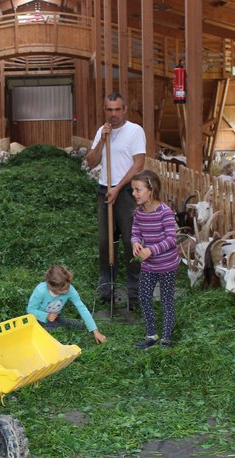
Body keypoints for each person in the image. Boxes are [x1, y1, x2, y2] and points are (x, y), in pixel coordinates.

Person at [84, 92, 146, 307]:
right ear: (105, 110)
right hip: (105, 191)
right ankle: (107, 287)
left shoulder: (135, 131)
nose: (113, 114)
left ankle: (135, 291)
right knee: (105, 241)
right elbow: (91, 162)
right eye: (109, 110)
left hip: (128, 192)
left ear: (125, 109)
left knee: (131, 241)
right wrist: (102, 140)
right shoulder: (102, 131)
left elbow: (138, 164)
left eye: (117, 109)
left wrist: (118, 188)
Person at [130, 170, 180, 349]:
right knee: (144, 298)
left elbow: (171, 239)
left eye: (138, 190)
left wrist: (151, 250)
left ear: (151, 190)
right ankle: (151, 335)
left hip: (167, 265)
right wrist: (135, 243)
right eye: (133, 190)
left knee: (166, 299)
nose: (134, 193)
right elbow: (135, 232)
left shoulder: (165, 212)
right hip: (148, 266)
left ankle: (166, 337)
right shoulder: (139, 213)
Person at [27, 265, 107, 344]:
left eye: (67, 287)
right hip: (38, 319)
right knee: (53, 330)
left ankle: (52, 327)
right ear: (52, 287)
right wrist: (47, 316)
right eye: (62, 290)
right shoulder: (41, 291)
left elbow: (82, 308)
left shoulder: (70, 289)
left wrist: (95, 331)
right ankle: (42, 330)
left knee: (79, 326)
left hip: (55, 317)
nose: (66, 291)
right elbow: (30, 310)